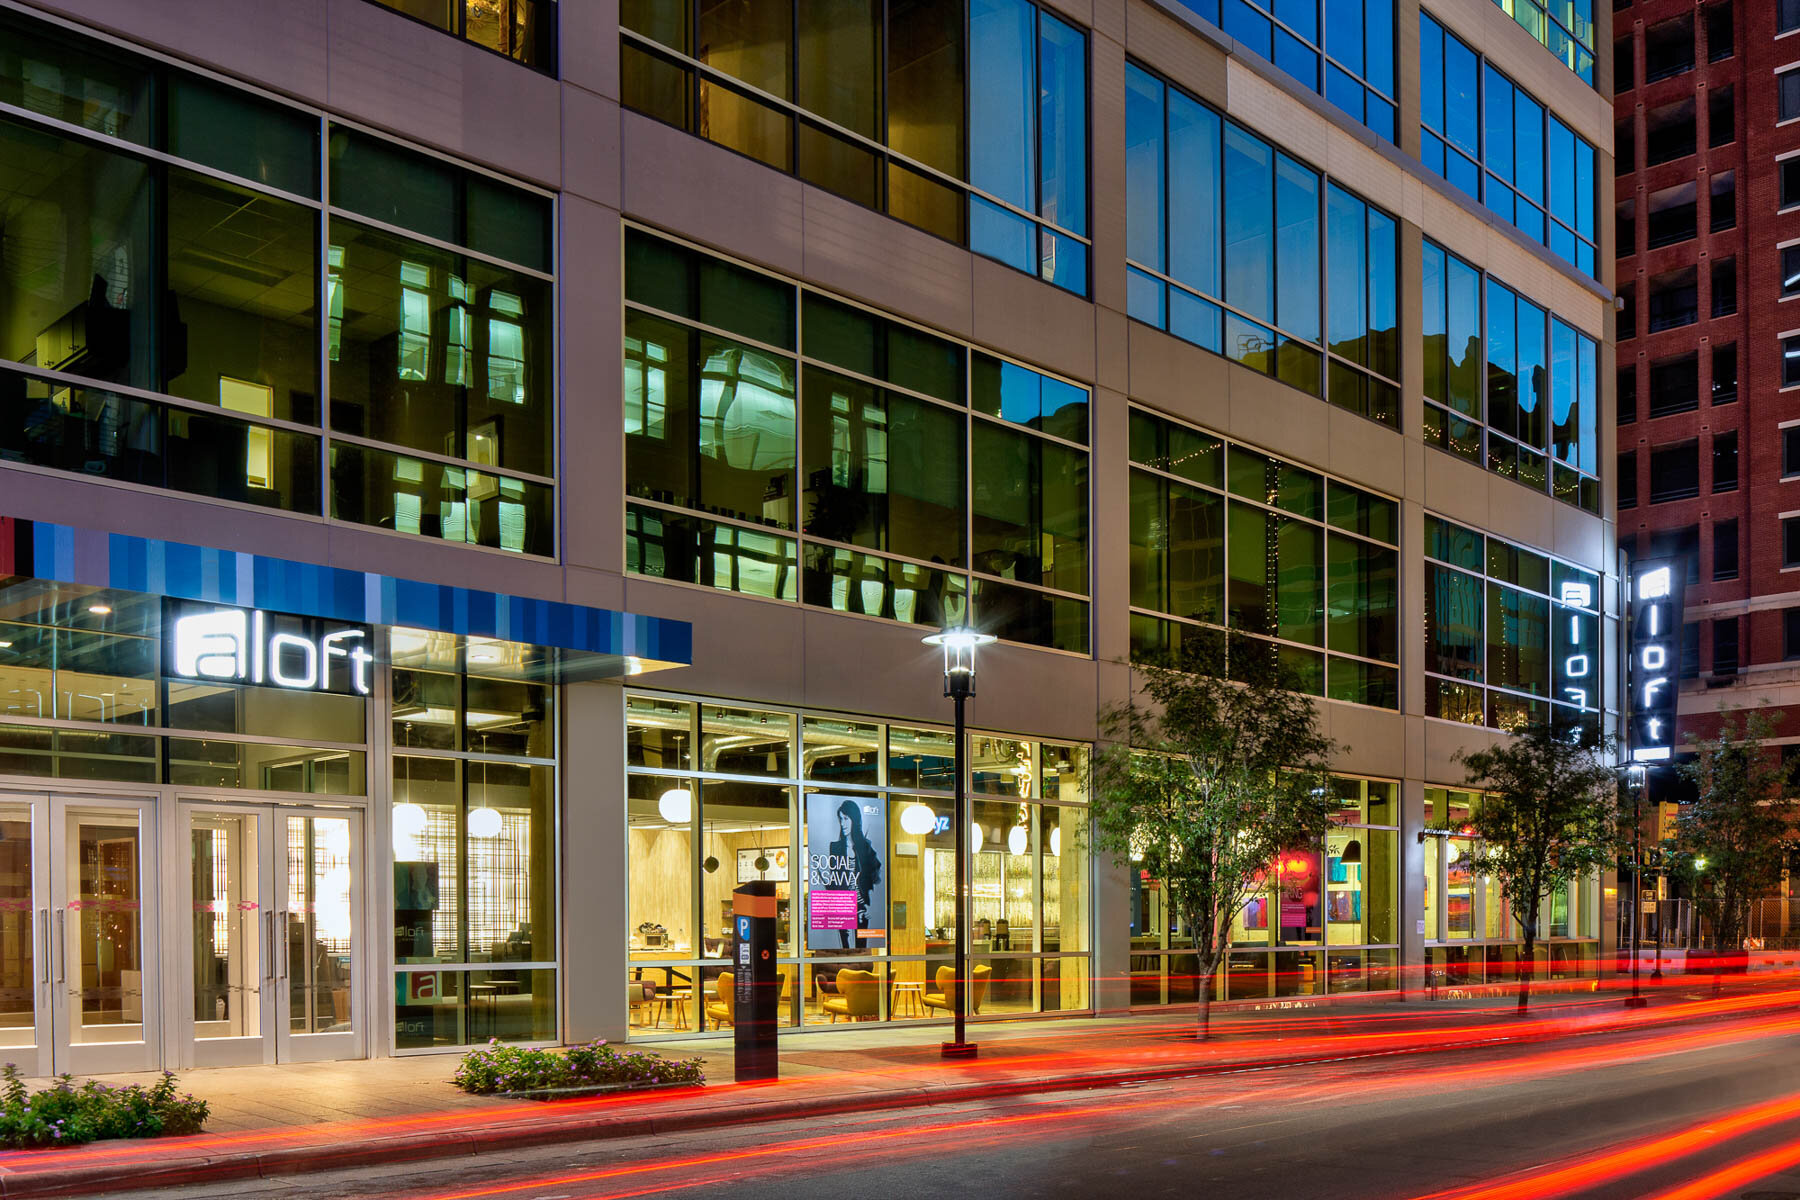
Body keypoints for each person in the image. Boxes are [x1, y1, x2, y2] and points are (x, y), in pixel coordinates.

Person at [829, 799, 882, 950]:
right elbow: (835, 878)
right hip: (843, 904)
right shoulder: (835, 847)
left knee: (861, 946)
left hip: (861, 903)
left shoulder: (865, 846)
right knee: (844, 945)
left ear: (854, 819)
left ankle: (861, 969)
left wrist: (868, 901)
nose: (843, 823)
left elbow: (876, 875)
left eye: (846, 818)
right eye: (840, 819)